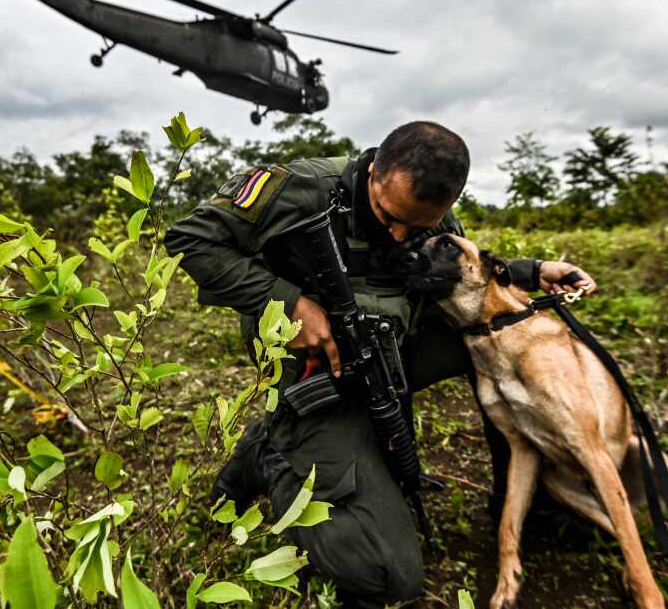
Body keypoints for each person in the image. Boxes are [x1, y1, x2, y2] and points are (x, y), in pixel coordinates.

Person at [164, 121, 595, 606]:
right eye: (389, 216)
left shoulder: (434, 218)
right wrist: (288, 303)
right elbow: (191, 239)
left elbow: (456, 272)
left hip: (391, 350)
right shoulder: (299, 188)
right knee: (387, 578)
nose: (398, 234)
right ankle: (271, 457)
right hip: (315, 371)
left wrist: (532, 272)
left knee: (504, 337)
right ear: (374, 172)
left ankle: (533, 503)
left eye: (417, 228)